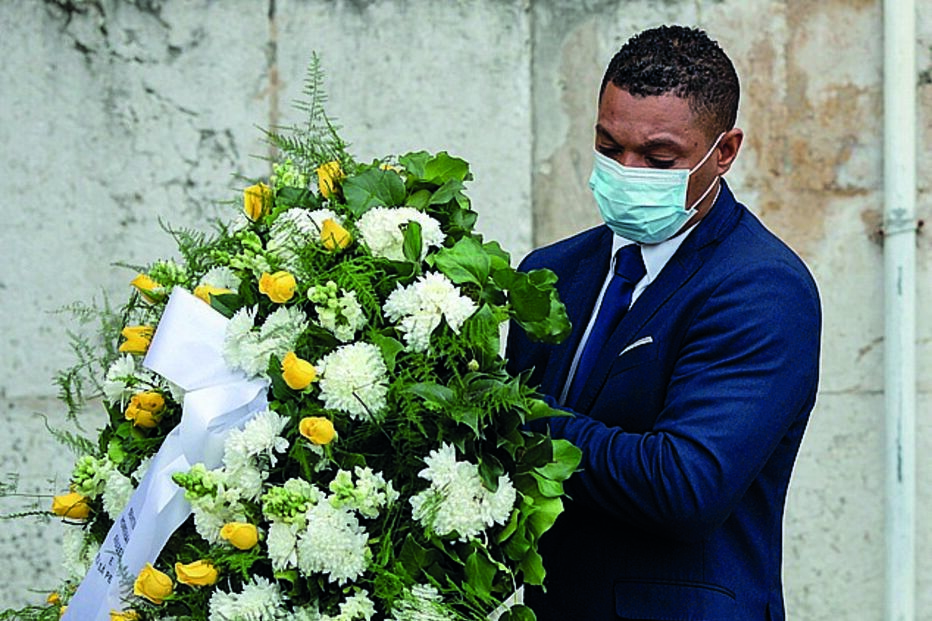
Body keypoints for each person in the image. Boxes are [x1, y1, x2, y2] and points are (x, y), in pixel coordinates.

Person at [507, 25, 821, 621]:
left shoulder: (761, 288)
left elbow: (685, 484)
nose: (627, 170)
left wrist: (518, 421)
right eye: (608, 147)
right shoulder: (552, 272)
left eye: (657, 158)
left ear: (723, 152)